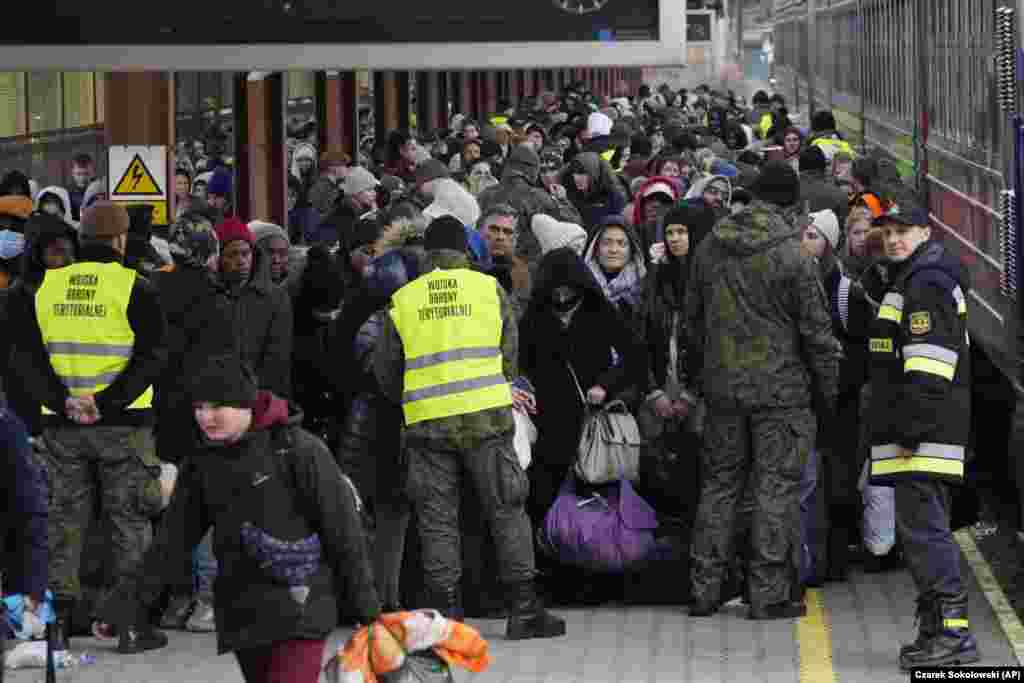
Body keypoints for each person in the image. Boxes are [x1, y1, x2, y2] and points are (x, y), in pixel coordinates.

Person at [103, 353, 381, 682]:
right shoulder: (202, 464)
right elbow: (171, 543)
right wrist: (125, 607)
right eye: (199, 407)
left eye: (216, 406)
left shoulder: (299, 450)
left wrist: (368, 612)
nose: (206, 417)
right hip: (243, 615)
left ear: (245, 403)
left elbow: (343, 532)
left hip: (300, 610)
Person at [372, 216, 566, 639]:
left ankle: (445, 617)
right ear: (466, 250)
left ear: (427, 252)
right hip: (486, 419)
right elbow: (509, 359)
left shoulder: (403, 299)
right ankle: (524, 610)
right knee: (506, 509)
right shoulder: (489, 290)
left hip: (426, 423)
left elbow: (385, 372)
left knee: (437, 518)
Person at [8, 201, 168, 652]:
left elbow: (25, 360)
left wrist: (62, 401)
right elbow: (153, 356)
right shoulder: (135, 286)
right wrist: (107, 402)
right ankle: (131, 626)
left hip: (61, 426)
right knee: (129, 523)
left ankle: (57, 627)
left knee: (63, 521)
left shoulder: (45, 289)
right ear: (120, 240)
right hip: (124, 426)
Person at [686, 161, 841, 619]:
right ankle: (769, 594)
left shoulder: (711, 246)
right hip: (782, 396)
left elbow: (690, 322)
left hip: (721, 394)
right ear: (794, 205)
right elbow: (817, 335)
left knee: (719, 487)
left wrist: (703, 379)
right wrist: (827, 395)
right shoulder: (793, 256)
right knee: (776, 489)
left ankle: (703, 590)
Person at [863, 200, 978, 670]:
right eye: (887, 232)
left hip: (920, 434)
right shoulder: (912, 275)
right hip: (918, 431)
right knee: (920, 534)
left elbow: (929, 368)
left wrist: (908, 430)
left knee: (926, 535)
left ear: (925, 232)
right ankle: (936, 628)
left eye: (902, 231)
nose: (893, 239)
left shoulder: (925, 283)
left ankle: (954, 634)